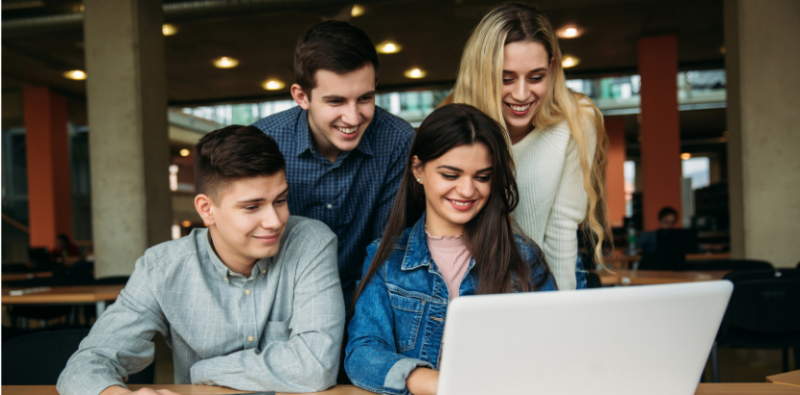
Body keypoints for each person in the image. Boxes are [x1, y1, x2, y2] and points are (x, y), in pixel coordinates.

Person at [57, 126, 345, 395]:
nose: (275, 221)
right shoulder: (162, 268)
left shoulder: (311, 242)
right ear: (207, 209)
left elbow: (316, 367)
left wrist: (204, 370)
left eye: (280, 200)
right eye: (252, 207)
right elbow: (87, 363)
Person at [345, 104, 557, 395]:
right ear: (418, 169)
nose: (468, 190)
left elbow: (554, 352)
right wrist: (439, 383)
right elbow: (362, 354)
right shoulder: (386, 257)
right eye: (451, 175)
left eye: (482, 177)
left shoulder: (524, 257)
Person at [445, 3, 610, 290]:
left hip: (551, 279)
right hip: (476, 280)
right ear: (482, 73)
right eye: (505, 78)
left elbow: (562, 232)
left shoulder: (576, 119)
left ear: (552, 68)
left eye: (536, 77)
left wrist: (559, 315)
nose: (521, 94)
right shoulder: (458, 122)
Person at [252, 21, 416, 307]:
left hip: (367, 301)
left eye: (365, 98)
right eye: (336, 101)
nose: (353, 118)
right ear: (302, 96)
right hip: (282, 304)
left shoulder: (399, 141)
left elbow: (386, 250)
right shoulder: (263, 141)